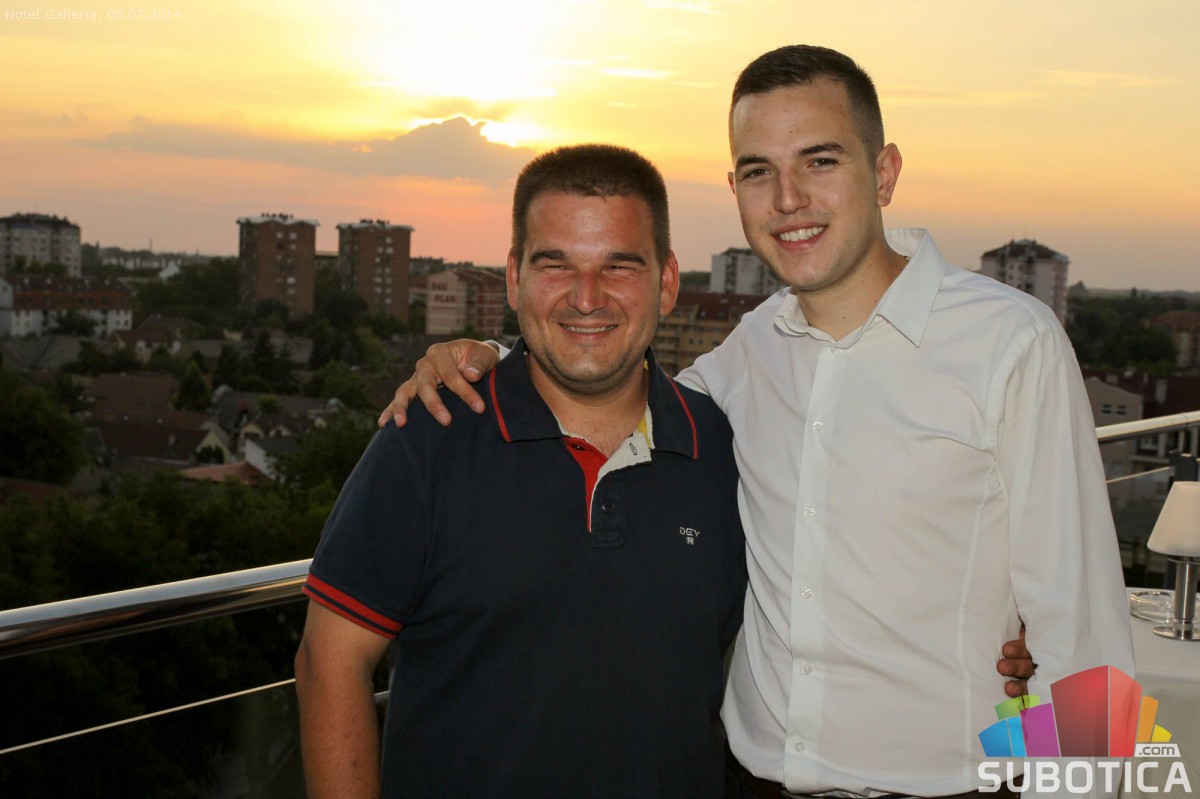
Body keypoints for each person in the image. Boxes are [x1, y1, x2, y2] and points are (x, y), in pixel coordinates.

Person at [380, 45, 1132, 798]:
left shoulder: (1010, 344)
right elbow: (608, 385)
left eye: (820, 161)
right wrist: (491, 354)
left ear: (885, 173)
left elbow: (1087, 642)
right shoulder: (750, 350)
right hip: (747, 781)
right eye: (757, 170)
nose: (788, 198)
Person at [294, 144, 748, 798]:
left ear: (667, 281)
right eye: (554, 264)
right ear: (513, 279)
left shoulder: (726, 452)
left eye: (619, 265)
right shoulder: (431, 434)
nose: (586, 298)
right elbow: (329, 661)